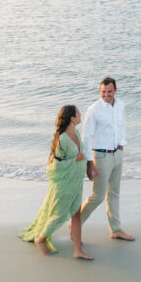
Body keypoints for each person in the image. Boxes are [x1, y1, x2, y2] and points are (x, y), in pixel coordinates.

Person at [19, 104, 93, 259]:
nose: (81, 115)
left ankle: (78, 250)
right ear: (72, 118)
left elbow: (82, 154)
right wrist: (75, 159)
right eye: (78, 113)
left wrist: (89, 167)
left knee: (76, 215)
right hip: (64, 184)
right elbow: (55, 165)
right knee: (59, 215)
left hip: (77, 182)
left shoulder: (77, 133)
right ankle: (41, 239)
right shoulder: (62, 139)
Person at [80, 76, 135, 241]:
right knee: (97, 196)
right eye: (103, 92)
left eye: (109, 91)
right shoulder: (94, 110)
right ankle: (75, 224)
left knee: (114, 193)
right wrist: (90, 164)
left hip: (117, 154)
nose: (106, 95)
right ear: (100, 91)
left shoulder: (121, 105)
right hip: (101, 156)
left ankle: (116, 229)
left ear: (115, 90)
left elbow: (122, 125)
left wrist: (122, 144)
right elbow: (86, 138)